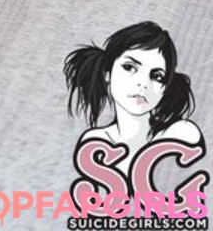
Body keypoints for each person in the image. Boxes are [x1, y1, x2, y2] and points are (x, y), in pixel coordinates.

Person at [65, 22, 204, 182]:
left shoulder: (182, 133)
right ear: (107, 73)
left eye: (157, 76)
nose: (143, 83)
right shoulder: (95, 142)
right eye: (129, 67)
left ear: (165, 88)